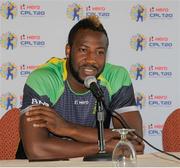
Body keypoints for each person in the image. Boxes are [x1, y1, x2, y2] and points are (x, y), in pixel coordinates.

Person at [17, 15, 144, 160]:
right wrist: (103, 146)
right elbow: (37, 149)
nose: (91, 59)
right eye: (84, 50)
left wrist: (68, 129)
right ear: (68, 50)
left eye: (99, 52)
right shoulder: (45, 78)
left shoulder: (116, 77)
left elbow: (135, 141)